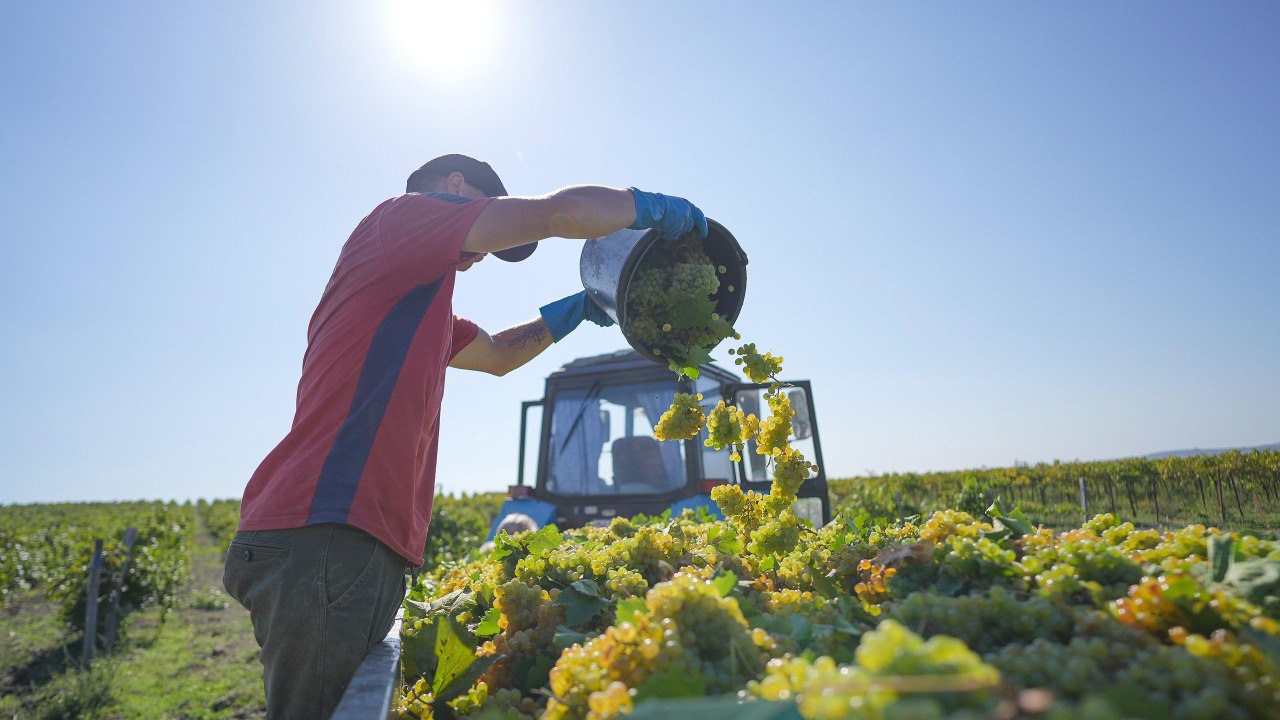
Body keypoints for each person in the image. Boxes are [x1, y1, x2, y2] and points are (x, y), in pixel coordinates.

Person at [221, 153, 707, 719]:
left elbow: (499, 356)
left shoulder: (411, 300)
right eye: (481, 237)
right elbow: (560, 213)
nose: (477, 259)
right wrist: (647, 209)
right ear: (454, 186)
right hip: (327, 529)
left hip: (342, 540)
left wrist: (575, 311)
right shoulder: (402, 217)